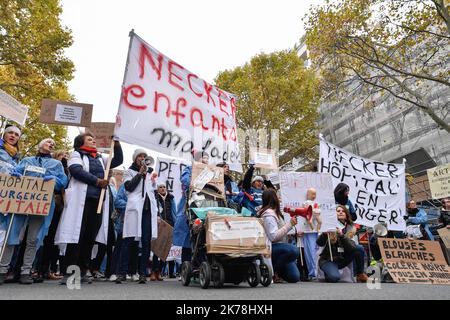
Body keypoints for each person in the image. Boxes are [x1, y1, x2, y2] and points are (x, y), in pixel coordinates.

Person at [55, 133, 123, 284]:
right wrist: (97, 181)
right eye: (90, 140)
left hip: (97, 203)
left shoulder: (100, 158)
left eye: (94, 139)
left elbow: (117, 160)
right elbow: (76, 171)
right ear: (81, 143)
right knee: (76, 236)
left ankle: (83, 270)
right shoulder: (76, 154)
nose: (93, 141)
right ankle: (70, 272)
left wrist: (117, 144)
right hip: (81, 202)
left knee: (89, 237)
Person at [0, 138, 68, 284]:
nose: (51, 144)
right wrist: (15, 175)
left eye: (53, 144)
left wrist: (54, 180)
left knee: (33, 239)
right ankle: (2, 269)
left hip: (41, 205)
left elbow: (63, 181)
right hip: (20, 203)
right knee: (12, 236)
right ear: (40, 144)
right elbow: (15, 172)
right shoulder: (27, 160)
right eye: (49, 142)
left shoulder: (56, 164)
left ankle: (26, 271)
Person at [116, 149, 158, 284]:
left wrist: (152, 179)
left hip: (147, 211)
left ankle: (142, 273)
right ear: (135, 159)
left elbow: (153, 192)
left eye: (145, 156)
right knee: (128, 240)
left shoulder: (151, 173)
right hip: (134, 209)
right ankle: (122, 273)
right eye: (140, 156)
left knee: (146, 242)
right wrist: (140, 174)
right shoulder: (129, 171)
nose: (142, 158)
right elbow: (129, 187)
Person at [36, 150, 70, 281]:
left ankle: (46, 269)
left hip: (58, 206)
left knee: (52, 239)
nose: (65, 158)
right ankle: (35, 269)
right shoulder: (50, 166)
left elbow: (65, 183)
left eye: (67, 156)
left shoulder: (65, 170)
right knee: (40, 236)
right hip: (44, 202)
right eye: (62, 156)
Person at [173, 151, 209, 266]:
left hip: (207, 205)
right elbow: (185, 180)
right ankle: (186, 266)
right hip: (191, 205)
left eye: (207, 158)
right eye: (204, 158)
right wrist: (200, 183)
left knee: (203, 236)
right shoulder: (189, 169)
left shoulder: (211, 172)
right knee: (189, 237)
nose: (206, 160)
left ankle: (202, 266)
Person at [258, 189, 300, 283]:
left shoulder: (276, 212)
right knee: (294, 250)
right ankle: (274, 271)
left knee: (294, 277)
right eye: (277, 196)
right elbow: (273, 237)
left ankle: (278, 270)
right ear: (273, 198)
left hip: (280, 247)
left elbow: (282, 230)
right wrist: (289, 225)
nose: (279, 198)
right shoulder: (269, 215)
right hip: (271, 247)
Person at [151, 182, 177, 280]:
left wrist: (175, 225)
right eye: (160, 187)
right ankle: (153, 271)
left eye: (164, 187)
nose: (162, 189)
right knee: (156, 250)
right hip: (159, 226)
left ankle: (159, 272)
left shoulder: (171, 198)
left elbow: (174, 212)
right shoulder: (155, 197)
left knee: (165, 251)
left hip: (169, 225)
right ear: (157, 189)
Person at [336, 205, 368, 282]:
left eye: (343, 211)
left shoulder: (351, 227)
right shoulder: (331, 226)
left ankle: (360, 274)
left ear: (346, 214)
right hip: (334, 256)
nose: (340, 212)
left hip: (345, 254)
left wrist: (342, 236)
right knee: (333, 277)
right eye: (338, 211)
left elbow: (352, 245)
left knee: (359, 248)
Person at [297, 188, 322, 280]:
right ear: (308, 194)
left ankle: (318, 271)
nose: (314, 196)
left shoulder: (316, 203)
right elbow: (306, 211)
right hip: (308, 229)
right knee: (310, 251)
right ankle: (313, 272)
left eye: (315, 194)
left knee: (317, 250)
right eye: (312, 194)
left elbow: (318, 211)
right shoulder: (306, 202)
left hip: (316, 230)